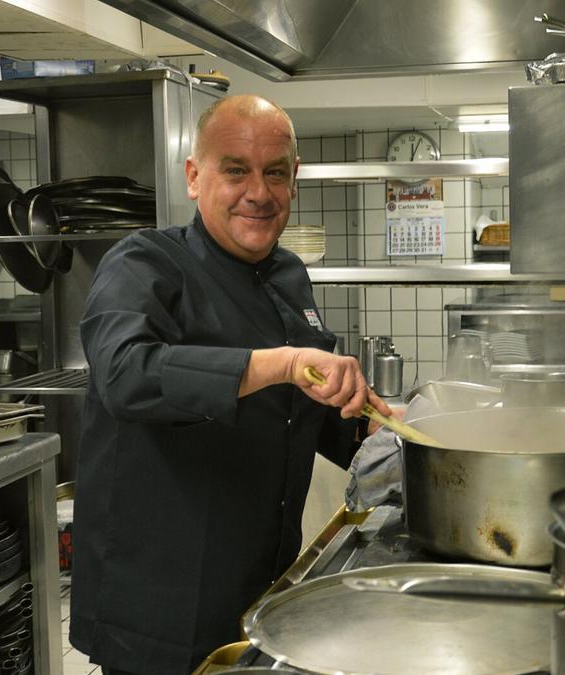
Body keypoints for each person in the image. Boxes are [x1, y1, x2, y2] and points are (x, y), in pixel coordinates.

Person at [68, 94, 391, 675]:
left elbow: (303, 408)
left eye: (275, 173)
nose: (258, 193)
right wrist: (281, 363)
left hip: (263, 579)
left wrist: (378, 431)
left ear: (294, 179)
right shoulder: (144, 263)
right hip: (161, 602)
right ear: (195, 177)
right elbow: (124, 374)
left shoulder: (288, 274)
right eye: (236, 170)